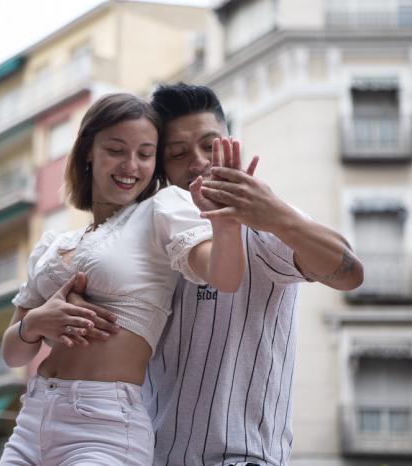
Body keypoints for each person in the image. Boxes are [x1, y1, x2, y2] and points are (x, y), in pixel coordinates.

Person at [0, 92, 245, 466]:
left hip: (104, 427)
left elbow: (224, 277)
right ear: (88, 151)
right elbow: (14, 353)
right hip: (32, 420)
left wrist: (226, 224)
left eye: (146, 154)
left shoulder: (162, 209)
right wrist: (34, 323)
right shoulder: (53, 244)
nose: (131, 165)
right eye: (116, 150)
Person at [141, 83, 364, 466]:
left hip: (242, 459)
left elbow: (349, 274)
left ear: (230, 141)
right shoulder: (152, 233)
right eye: (177, 154)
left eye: (209, 145)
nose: (197, 162)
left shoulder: (266, 222)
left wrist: (276, 215)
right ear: (161, 168)